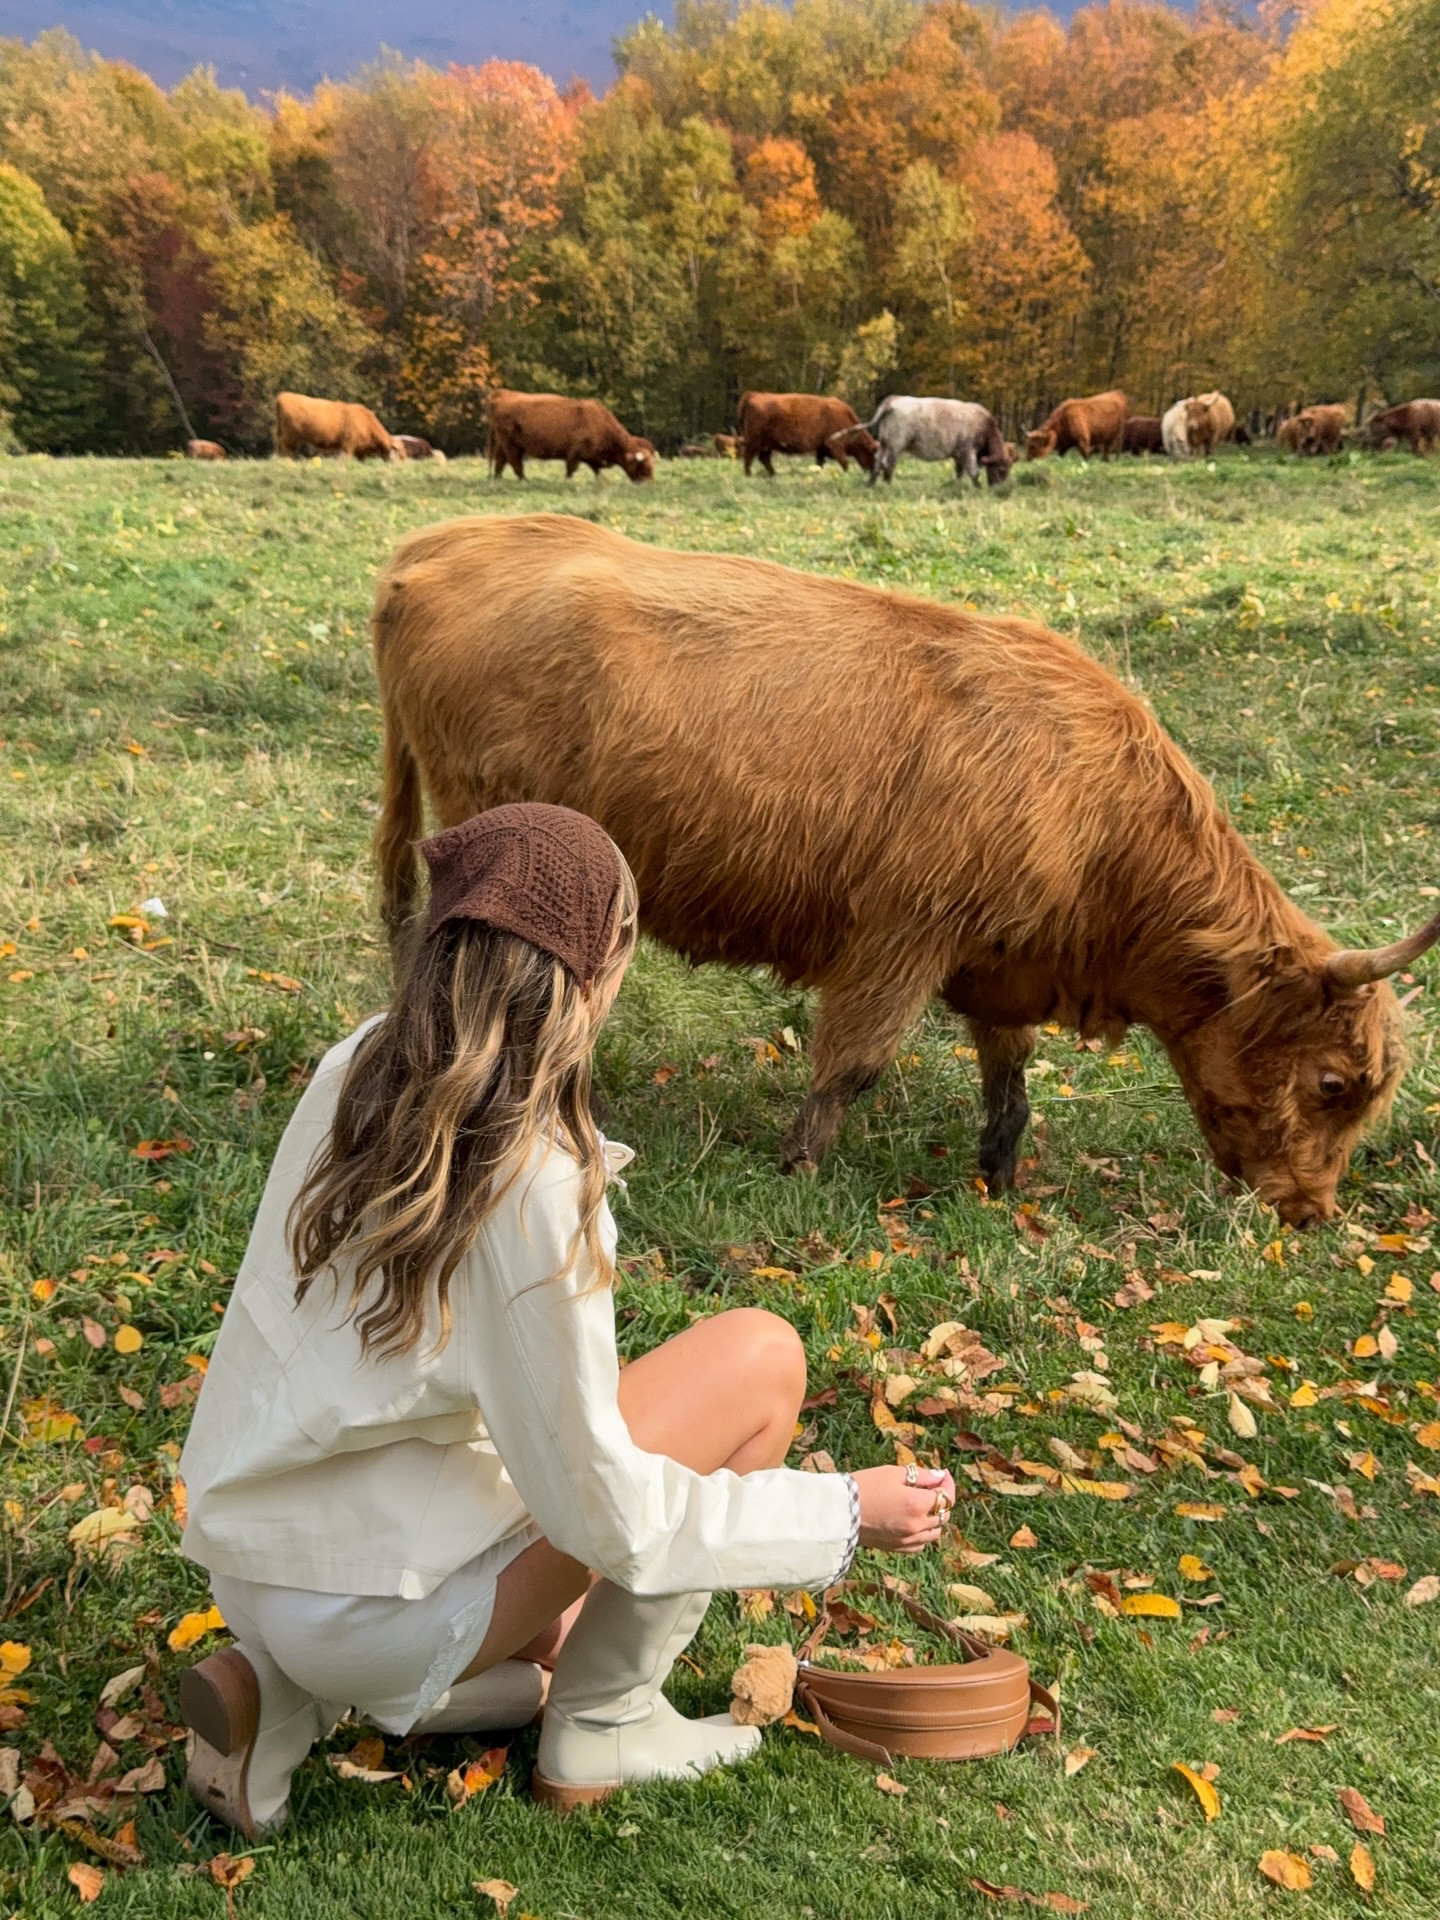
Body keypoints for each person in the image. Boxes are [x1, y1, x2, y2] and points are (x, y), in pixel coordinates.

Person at [176, 803, 955, 1831]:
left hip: (257, 1560)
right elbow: (609, 1512)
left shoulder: (358, 1066)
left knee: (558, 1615)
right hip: (383, 1601)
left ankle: (287, 1690)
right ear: (599, 972)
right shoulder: (532, 1179)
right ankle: (606, 1719)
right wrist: (843, 1512)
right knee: (760, 1359)